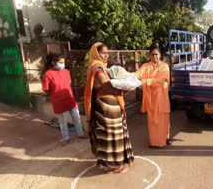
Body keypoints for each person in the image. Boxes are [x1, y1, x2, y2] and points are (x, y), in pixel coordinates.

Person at [84, 42, 134, 174]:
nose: (106, 56)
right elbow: (106, 86)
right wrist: (125, 87)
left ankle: (114, 163)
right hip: (106, 109)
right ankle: (114, 164)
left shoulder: (103, 68)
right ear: (96, 53)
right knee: (111, 136)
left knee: (112, 135)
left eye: (107, 53)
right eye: (103, 53)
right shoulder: (97, 69)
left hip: (110, 107)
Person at [133, 46, 173, 148]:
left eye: (156, 54)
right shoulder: (145, 66)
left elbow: (162, 79)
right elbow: (136, 74)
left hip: (162, 97)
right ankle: (155, 142)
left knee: (164, 119)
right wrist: (122, 74)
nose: (154, 56)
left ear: (160, 55)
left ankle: (166, 138)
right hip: (151, 99)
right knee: (153, 122)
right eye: (152, 54)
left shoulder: (164, 66)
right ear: (150, 55)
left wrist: (147, 81)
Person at [42, 54, 87, 143]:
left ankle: (81, 134)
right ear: (53, 63)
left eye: (64, 62)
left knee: (76, 118)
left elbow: (68, 84)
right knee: (63, 121)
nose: (62, 64)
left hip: (70, 98)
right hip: (59, 101)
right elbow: (46, 89)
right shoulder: (47, 74)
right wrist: (55, 94)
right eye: (60, 62)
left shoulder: (66, 71)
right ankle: (66, 138)